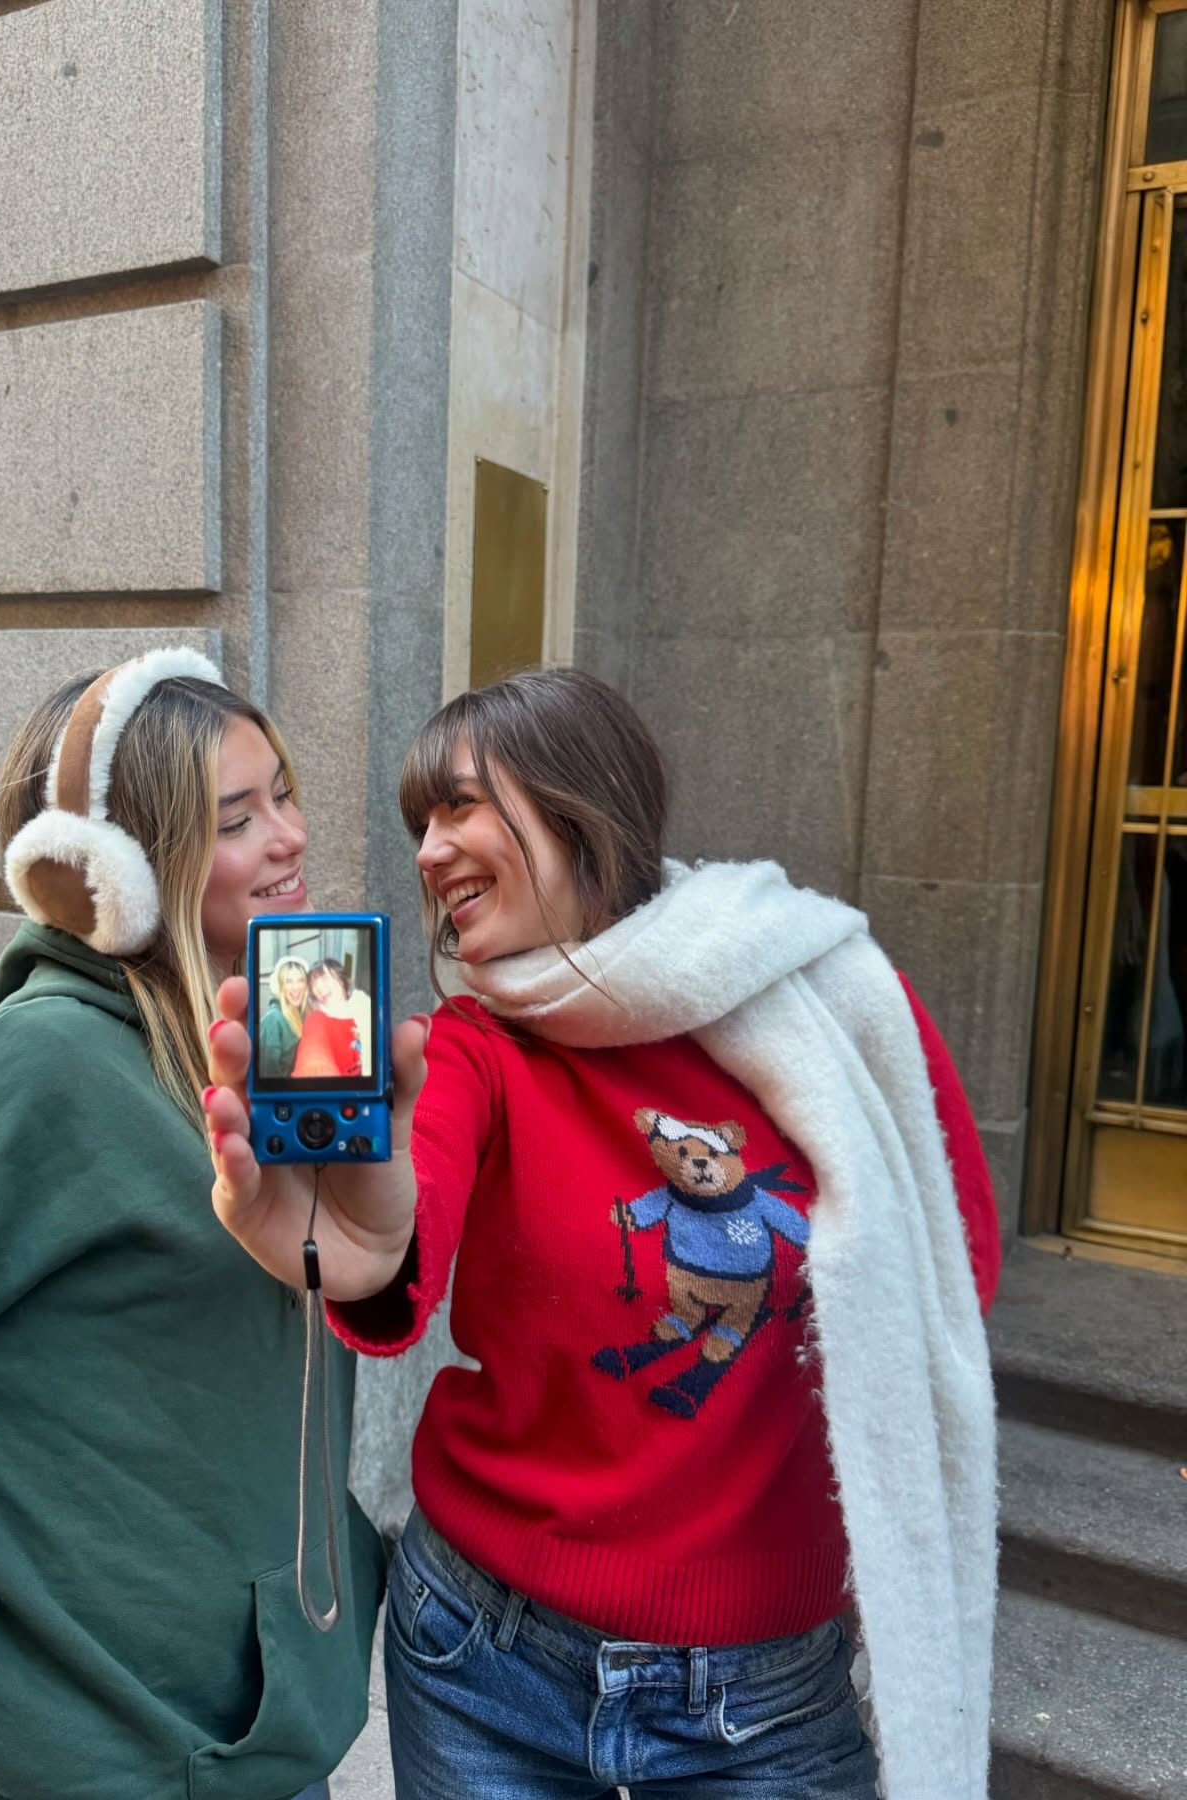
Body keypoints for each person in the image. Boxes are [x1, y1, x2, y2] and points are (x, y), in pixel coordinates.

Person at [204, 667, 1002, 1800]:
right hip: (484, 1657)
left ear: (580, 804)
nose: (428, 852)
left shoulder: (832, 1002)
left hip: (770, 1699)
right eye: (419, 822)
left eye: (459, 806)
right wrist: (360, 1244)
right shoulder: (473, 1046)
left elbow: (949, 1275)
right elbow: (398, 1232)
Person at [0, 648, 387, 1800]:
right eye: (236, 820)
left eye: (285, 795)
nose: (291, 838)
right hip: (87, 1764)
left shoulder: (292, 1034)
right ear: (114, 872)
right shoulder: (27, 1070)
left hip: (270, 1737)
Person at [292, 959, 371, 1080]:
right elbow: (313, 1055)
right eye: (313, 985)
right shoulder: (317, 1018)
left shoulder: (364, 1006)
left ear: (341, 978)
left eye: (324, 979)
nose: (319, 988)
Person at [260, 955, 310, 1077]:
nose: (296, 987)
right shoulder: (273, 1020)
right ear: (280, 986)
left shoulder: (304, 1013)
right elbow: (269, 1073)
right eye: (289, 981)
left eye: (300, 980)